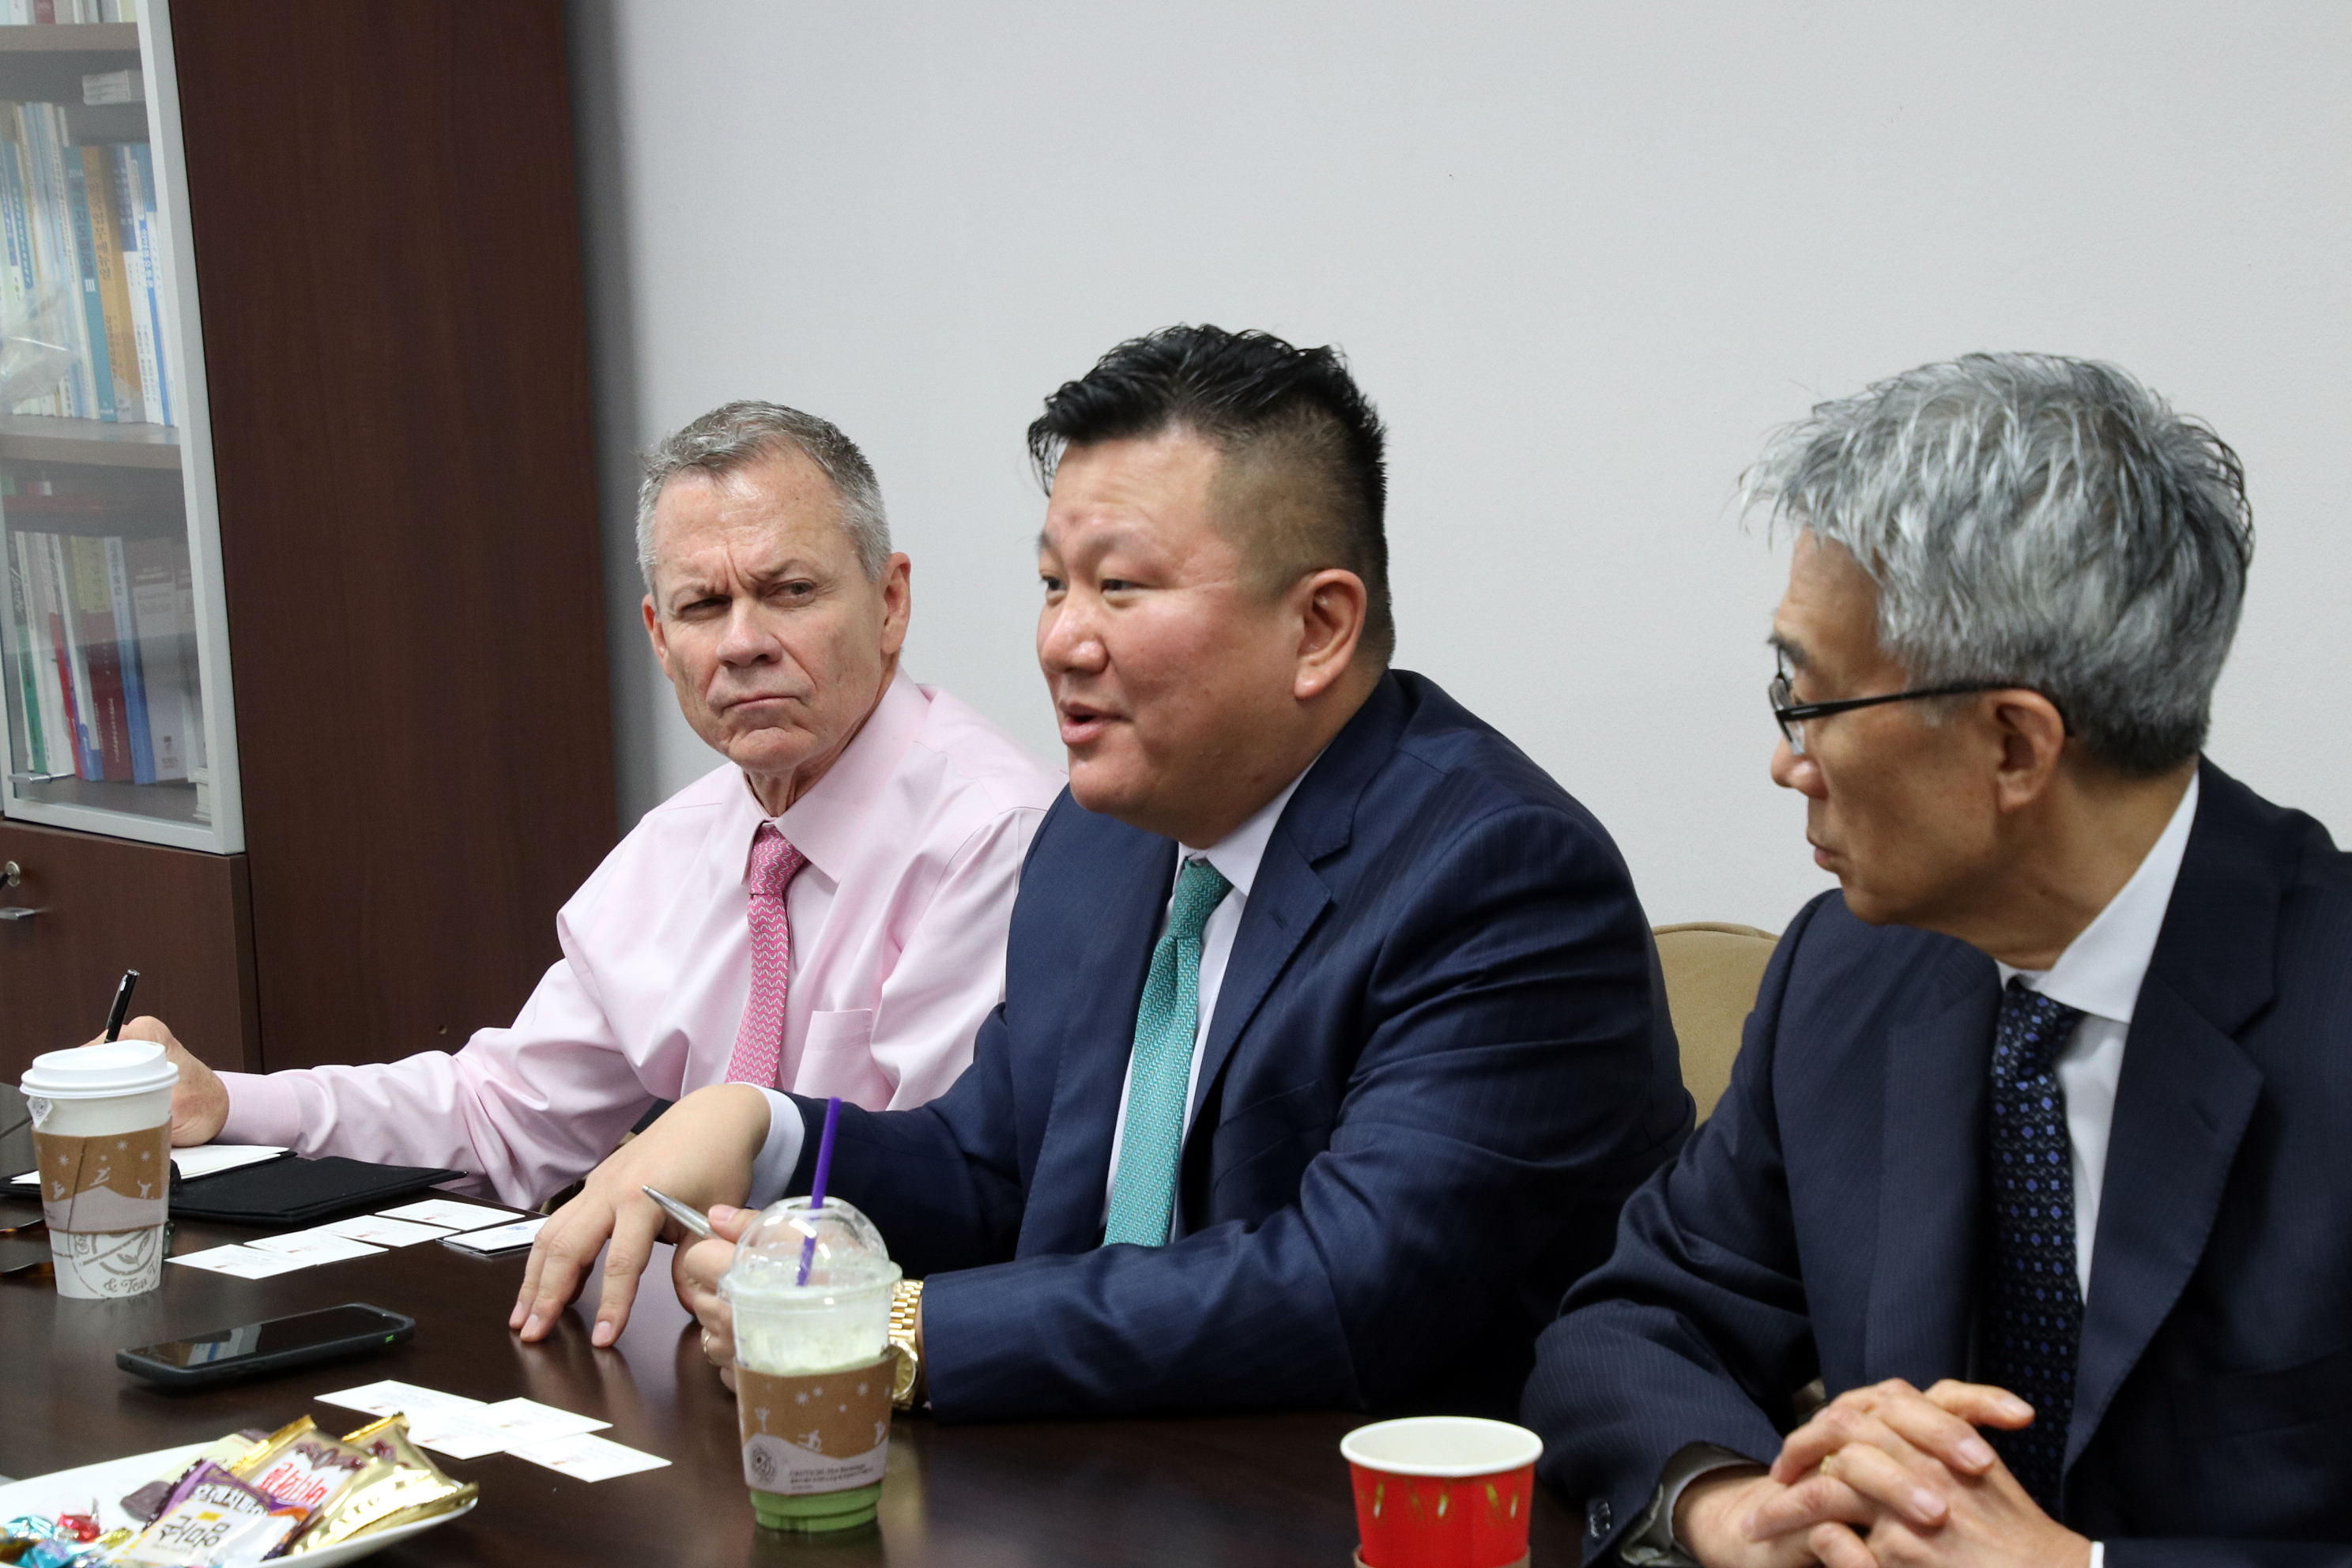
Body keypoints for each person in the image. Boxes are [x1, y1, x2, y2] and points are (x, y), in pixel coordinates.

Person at [525, 324, 1690, 1419]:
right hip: (1099, 1481)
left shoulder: (1498, 874)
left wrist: (898, 1333)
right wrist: (768, 1131)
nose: (1061, 641)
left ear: (1319, 628)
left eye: (1119, 587)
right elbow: (992, 1167)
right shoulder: (1100, 841)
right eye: (1053, 584)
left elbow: (1346, 1286)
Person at [1522, 354, 2352, 1566]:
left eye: (1810, 701)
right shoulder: (1851, 969)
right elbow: (1636, 1322)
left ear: (2014, 746)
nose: (1786, 761)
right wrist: (1734, 1505)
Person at [121, 402, 1062, 1348]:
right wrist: (227, 1103)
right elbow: (501, 1115)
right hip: (706, 1347)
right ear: (659, 636)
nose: (742, 642)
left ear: (890, 602)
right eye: (703, 606)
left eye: (789, 592)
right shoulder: (682, 840)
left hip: (894, 1360)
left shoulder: (995, 833)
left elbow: (952, 1190)